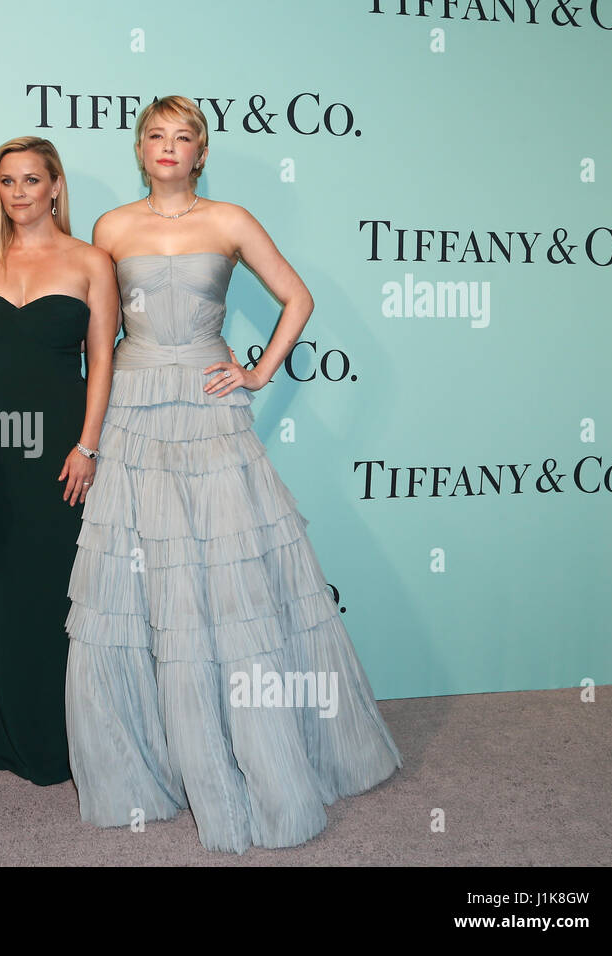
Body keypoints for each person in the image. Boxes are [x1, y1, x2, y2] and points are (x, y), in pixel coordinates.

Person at [65, 96, 402, 851]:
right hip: (137, 405)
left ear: (201, 151)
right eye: (156, 134)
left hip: (211, 400)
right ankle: (158, 764)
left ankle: (262, 757)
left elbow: (298, 296)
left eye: (183, 137)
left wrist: (258, 371)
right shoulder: (112, 227)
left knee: (230, 580)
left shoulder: (232, 219)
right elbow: (105, 335)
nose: (168, 146)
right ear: (140, 146)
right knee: (146, 583)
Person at [0, 137, 118, 785]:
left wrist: (88, 444)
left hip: (67, 442)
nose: (18, 193)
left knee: (66, 591)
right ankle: (18, 729)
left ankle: (74, 735)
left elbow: (103, 360)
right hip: (1, 444)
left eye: (31, 180)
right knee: (9, 593)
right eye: (7, 181)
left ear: (55, 186)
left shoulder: (92, 261)